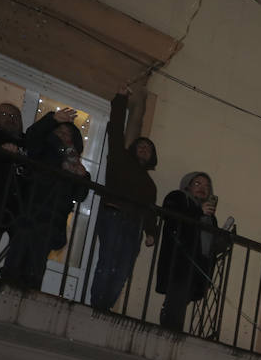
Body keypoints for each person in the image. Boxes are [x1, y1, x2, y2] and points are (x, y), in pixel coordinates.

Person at [0, 106, 91, 291]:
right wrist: (52, 119)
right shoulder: (42, 151)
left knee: (36, 260)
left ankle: (28, 289)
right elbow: (33, 136)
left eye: (68, 134)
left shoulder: (74, 165)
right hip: (30, 210)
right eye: (60, 131)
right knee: (19, 253)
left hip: (52, 219)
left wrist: (83, 178)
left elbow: (80, 195)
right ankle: (9, 286)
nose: (64, 136)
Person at [90, 89, 157, 313]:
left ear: (152, 157)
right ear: (133, 148)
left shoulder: (150, 185)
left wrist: (150, 232)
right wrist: (120, 100)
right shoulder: (119, 159)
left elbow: (150, 210)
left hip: (134, 224)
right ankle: (97, 305)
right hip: (114, 215)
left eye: (148, 148)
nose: (144, 149)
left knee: (124, 268)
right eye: (141, 145)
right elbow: (116, 130)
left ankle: (105, 306)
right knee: (108, 261)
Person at [156, 171, 227, 332]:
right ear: (187, 185)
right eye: (197, 184)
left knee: (182, 300)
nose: (203, 188)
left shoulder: (210, 217)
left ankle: (170, 327)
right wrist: (198, 212)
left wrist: (222, 240)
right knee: (176, 301)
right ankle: (170, 332)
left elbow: (209, 245)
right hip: (179, 263)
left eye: (207, 186)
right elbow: (172, 215)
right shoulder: (178, 197)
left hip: (197, 268)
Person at [0, 102, 25, 272]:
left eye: (14, 116)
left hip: (20, 206)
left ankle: (12, 280)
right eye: (4, 115)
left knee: (21, 246)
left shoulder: (27, 143)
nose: (10, 119)